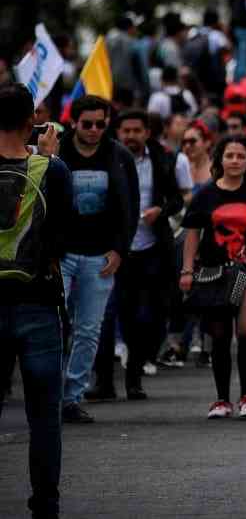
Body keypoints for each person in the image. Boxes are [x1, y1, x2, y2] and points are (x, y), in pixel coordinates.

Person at [0, 85, 72, 518]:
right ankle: (45, 505)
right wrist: (48, 157)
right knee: (44, 415)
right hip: (38, 303)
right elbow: (64, 236)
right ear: (33, 120)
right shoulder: (51, 169)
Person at [178, 135, 246, 419]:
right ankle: (222, 399)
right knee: (219, 334)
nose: (235, 161)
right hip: (215, 272)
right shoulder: (205, 194)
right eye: (229, 156)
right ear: (220, 160)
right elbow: (192, 233)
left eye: (240, 156)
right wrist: (187, 270)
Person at [89, 110, 184, 401]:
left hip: (150, 249)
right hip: (114, 249)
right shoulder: (106, 158)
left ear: (147, 133)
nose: (131, 136)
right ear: (117, 132)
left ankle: (134, 377)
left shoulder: (162, 159)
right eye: (125, 130)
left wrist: (161, 211)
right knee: (104, 318)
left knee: (143, 318)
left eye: (137, 130)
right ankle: (104, 381)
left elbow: (176, 199)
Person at [58, 95, 140, 424]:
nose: (94, 130)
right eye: (87, 124)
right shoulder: (57, 154)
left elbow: (130, 208)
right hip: (60, 255)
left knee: (89, 331)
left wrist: (120, 249)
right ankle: (48, 393)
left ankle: (71, 398)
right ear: (74, 123)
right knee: (52, 325)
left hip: (101, 256)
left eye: (100, 124)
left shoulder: (119, 156)